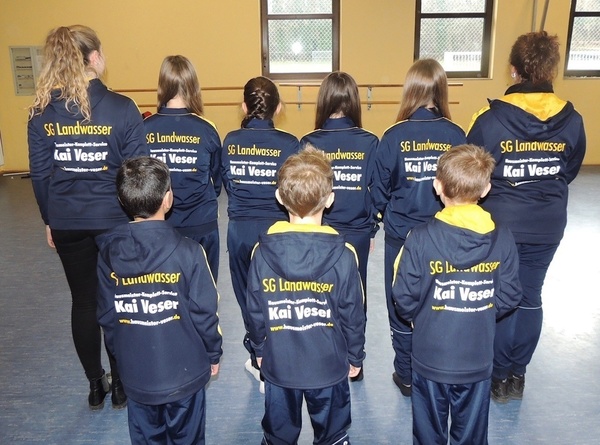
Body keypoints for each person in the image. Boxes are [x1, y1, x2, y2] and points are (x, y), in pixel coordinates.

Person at [27, 25, 147, 410]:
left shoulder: (41, 112)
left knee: (83, 302)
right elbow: (137, 171)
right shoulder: (122, 107)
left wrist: (50, 219)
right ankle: (121, 384)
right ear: (94, 57)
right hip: (114, 220)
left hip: (66, 219)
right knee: (117, 300)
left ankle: (96, 385)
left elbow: (41, 176)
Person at [467, 31, 586, 402]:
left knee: (501, 296)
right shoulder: (573, 119)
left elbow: (471, 171)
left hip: (501, 223)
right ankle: (517, 375)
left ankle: (498, 375)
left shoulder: (489, 119)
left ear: (514, 70)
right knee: (531, 294)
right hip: (548, 222)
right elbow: (569, 169)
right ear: (551, 70)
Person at [392, 144, 522, 445]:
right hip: (477, 357)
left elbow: (404, 295)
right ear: (486, 189)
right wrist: (481, 310)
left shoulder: (419, 238)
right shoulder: (502, 237)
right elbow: (510, 294)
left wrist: (422, 317)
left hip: (429, 356)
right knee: (472, 435)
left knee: (428, 433)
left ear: (437, 186)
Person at [96, 157, 222, 444]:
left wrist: (122, 356)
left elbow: (107, 316)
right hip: (185, 375)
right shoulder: (190, 252)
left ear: (121, 200)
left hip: (136, 376)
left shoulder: (108, 253)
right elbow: (205, 312)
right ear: (168, 199)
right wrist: (213, 353)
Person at [246, 145, 366, 445]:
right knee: (333, 435)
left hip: (279, 365)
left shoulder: (261, 252)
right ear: (330, 199)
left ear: (279, 197)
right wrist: (355, 355)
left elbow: (255, 311)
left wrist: (259, 348)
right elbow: (353, 315)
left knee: (278, 435)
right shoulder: (345, 255)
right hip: (329, 367)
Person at [371, 59, 466, 397]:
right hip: (446, 236)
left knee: (401, 302)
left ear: (409, 90)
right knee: (441, 303)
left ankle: (407, 374)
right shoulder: (457, 135)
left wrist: (383, 217)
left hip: (402, 237)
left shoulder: (393, 136)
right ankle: (438, 370)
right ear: (442, 90)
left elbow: (378, 192)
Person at [221, 76, 300, 390]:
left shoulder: (230, 140)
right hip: (275, 232)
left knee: (247, 299)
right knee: (279, 296)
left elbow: (227, 184)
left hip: (240, 231)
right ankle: (277, 357)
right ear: (278, 108)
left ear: (244, 107)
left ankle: (259, 359)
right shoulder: (290, 143)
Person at [300, 71, 379, 321]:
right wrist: (372, 230)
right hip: (357, 231)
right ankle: (356, 344)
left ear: (323, 101)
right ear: (354, 101)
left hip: (318, 230)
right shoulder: (369, 142)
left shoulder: (308, 142)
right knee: (356, 292)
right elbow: (376, 192)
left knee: (319, 295)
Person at [144, 55, 222, 280]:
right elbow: (216, 181)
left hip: (160, 225)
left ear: (162, 85)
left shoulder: (145, 128)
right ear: (193, 86)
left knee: (167, 290)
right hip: (201, 223)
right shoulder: (207, 129)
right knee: (204, 287)